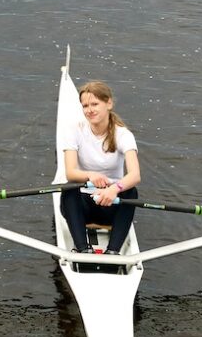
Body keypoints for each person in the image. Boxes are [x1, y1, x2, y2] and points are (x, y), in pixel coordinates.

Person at [59, 80, 141, 255]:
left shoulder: (123, 135)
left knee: (131, 192)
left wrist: (114, 189)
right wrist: (90, 175)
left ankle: (113, 251)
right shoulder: (74, 131)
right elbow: (70, 172)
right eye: (85, 105)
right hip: (82, 206)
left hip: (111, 204)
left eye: (95, 104)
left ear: (108, 103)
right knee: (69, 187)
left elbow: (135, 175)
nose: (90, 110)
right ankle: (82, 248)